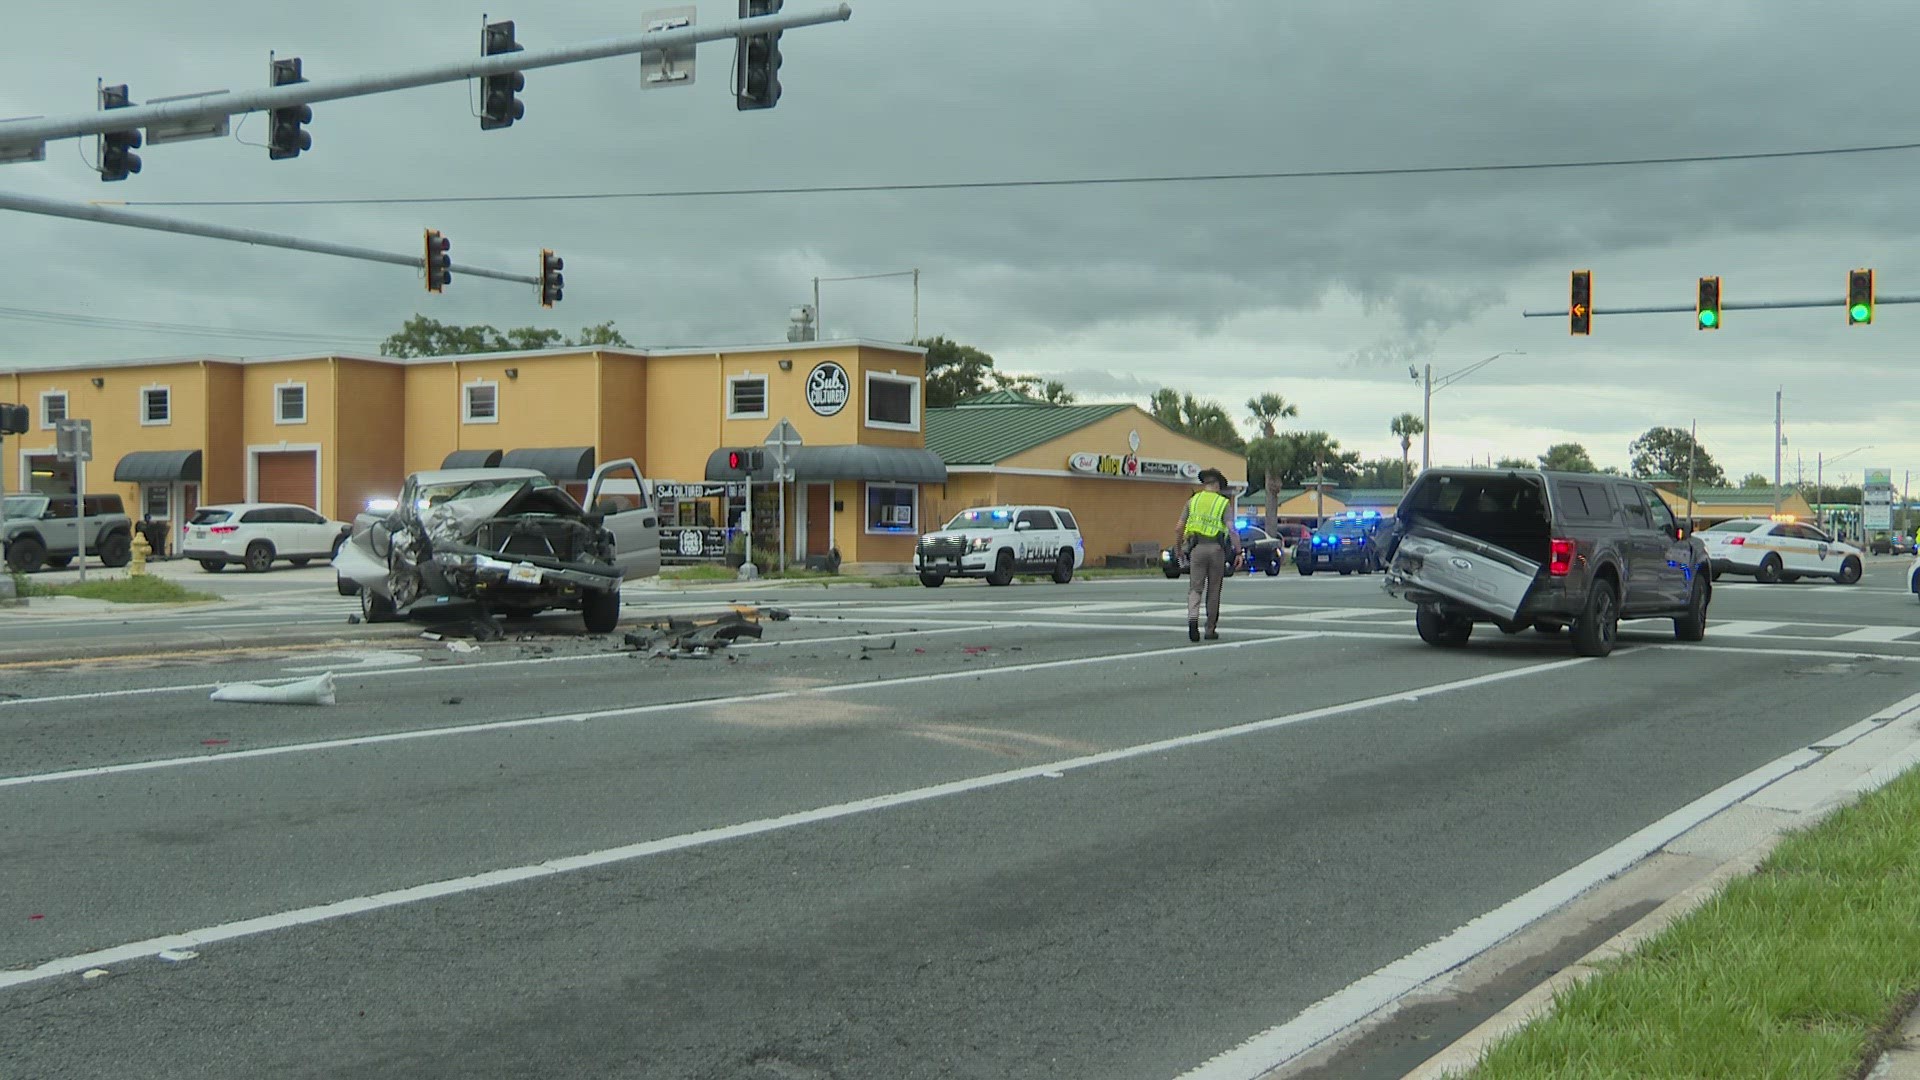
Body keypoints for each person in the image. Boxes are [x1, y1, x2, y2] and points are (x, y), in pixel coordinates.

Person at [1175, 468, 1241, 641]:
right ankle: (1210, 629)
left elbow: (1179, 527)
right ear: (1218, 485)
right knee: (1213, 590)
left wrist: (1178, 548)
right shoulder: (1222, 503)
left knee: (1195, 588)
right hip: (1216, 550)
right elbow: (1232, 530)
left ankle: (1192, 619)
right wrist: (1239, 551)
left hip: (1197, 549)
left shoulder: (1193, 501)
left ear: (1205, 484)